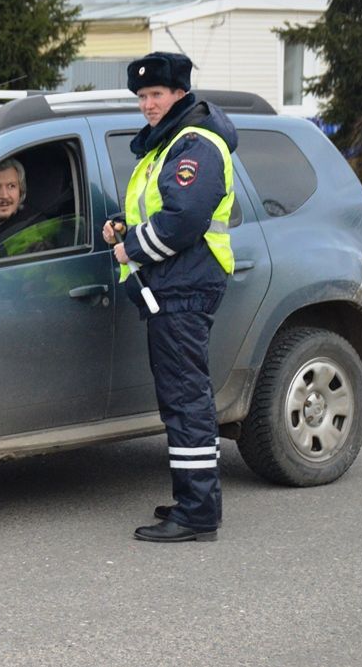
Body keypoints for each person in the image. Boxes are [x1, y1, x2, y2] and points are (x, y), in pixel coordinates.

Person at [102, 51, 238, 543]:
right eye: (142, 97)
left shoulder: (195, 144)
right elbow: (160, 208)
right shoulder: (170, 143)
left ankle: (198, 512)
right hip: (174, 283)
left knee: (185, 401)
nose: (147, 105)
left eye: (156, 95)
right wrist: (124, 226)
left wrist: (129, 248)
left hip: (185, 283)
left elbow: (183, 219)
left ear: (180, 92)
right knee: (181, 398)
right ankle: (192, 499)